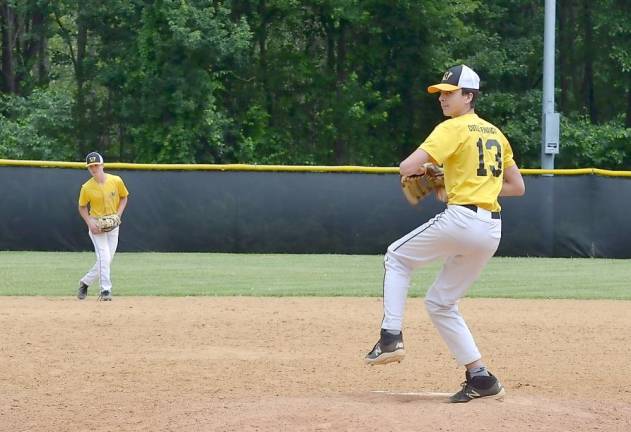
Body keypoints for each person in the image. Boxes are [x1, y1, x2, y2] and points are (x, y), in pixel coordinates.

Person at [364, 65, 525, 403]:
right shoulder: (496, 133)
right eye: (441, 93)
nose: (443, 98)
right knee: (441, 302)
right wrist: (452, 184)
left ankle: (390, 336)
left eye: (450, 93)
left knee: (396, 257)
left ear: (469, 96)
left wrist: (430, 174)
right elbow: (516, 187)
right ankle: (481, 377)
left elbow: (406, 168)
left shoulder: (452, 128)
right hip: (491, 228)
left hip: (462, 220)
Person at [77, 152, 129, 301]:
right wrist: (89, 222)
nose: (94, 168)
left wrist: (118, 215)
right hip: (97, 224)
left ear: (102, 165)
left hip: (113, 223)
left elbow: (124, 197)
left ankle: (85, 282)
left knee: (107, 259)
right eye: (91, 166)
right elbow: (81, 207)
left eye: (96, 165)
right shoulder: (86, 187)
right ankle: (106, 290)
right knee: (104, 257)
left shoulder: (116, 180)